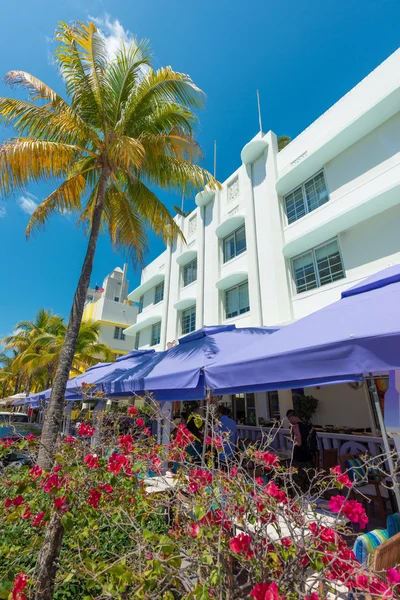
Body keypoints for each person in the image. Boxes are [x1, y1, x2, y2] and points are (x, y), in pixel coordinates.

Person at [286, 409, 317, 490]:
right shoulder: (307, 425)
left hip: (299, 457)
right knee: (308, 480)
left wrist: (291, 440)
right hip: (309, 456)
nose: (289, 421)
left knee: (295, 478)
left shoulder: (296, 426)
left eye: (289, 419)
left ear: (292, 417)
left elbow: (299, 443)